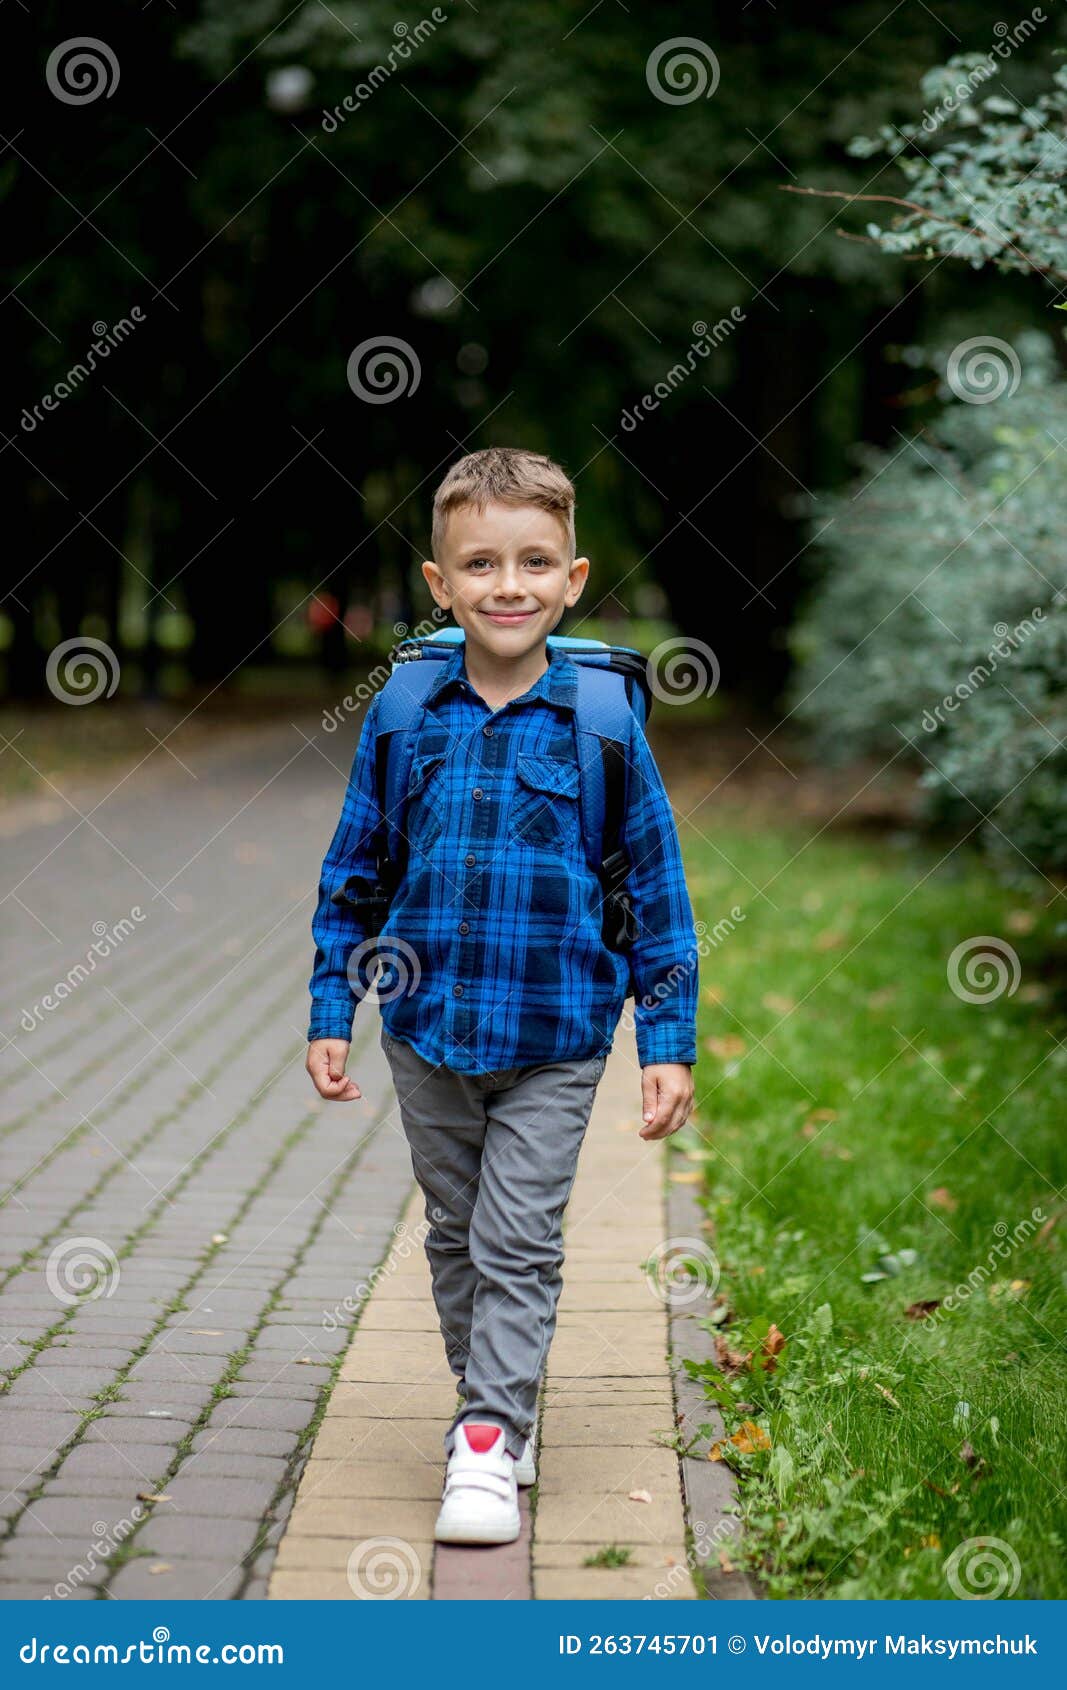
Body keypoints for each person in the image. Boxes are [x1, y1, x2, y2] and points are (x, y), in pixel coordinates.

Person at [306, 446, 697, 1545]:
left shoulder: (603, 723)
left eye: (534, 561)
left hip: (558, 1037)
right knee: (453, 1230)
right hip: (424, 1034)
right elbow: (353, 875)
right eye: (480, 563)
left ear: (573, 578)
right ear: (439, 585)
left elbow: (655, 899)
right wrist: (332, 1011)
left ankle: (482, 1439)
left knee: (515, 1238)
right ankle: (496, 1399)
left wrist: (665, 1040)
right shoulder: (404, 714)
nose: (507, 584)